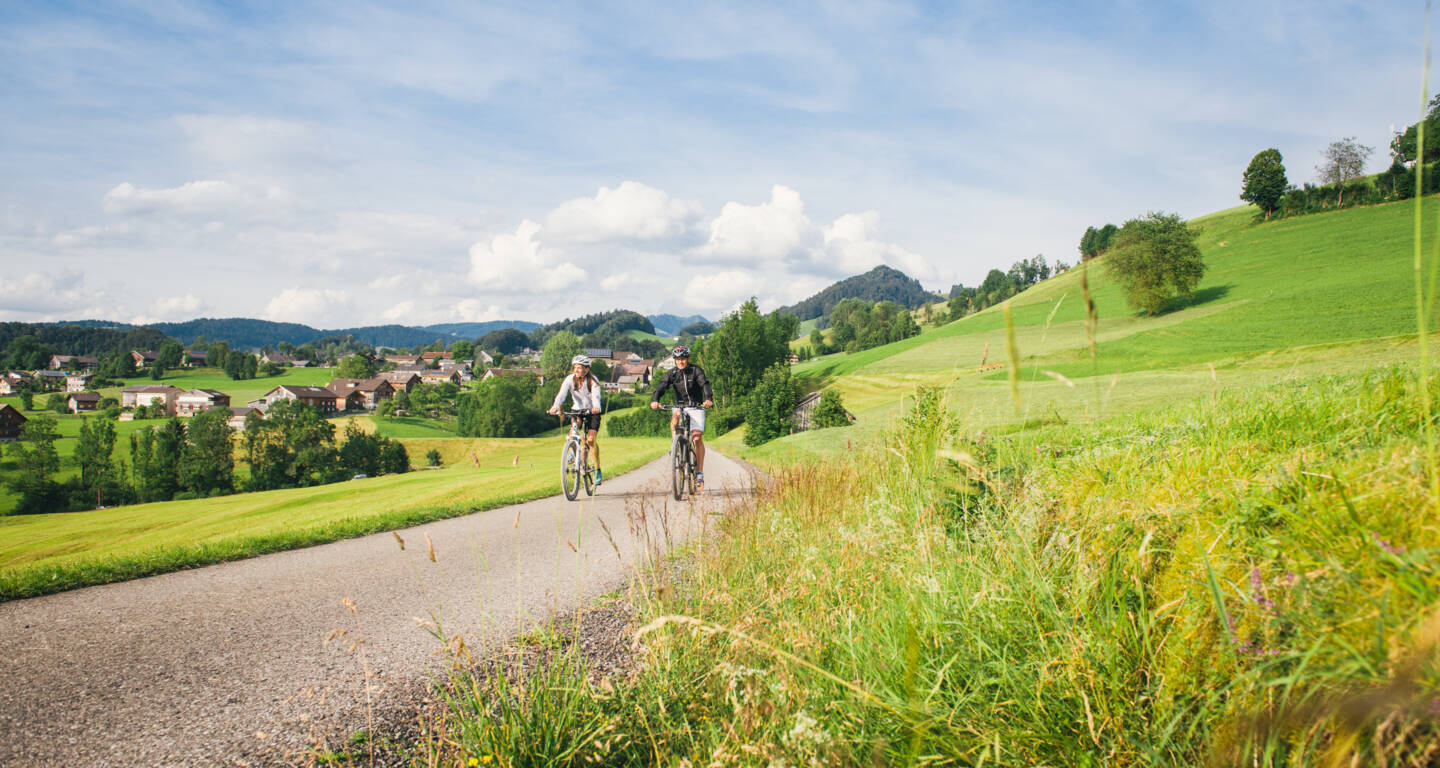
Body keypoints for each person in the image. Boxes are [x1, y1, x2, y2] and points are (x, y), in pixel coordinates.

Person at [649, 345, 714, 490]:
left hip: (696, 406)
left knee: (697, 438)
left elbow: (705, 384)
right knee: (675, 417)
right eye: (678, 359)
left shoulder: (696, 371)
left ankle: (699, 473)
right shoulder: (672, 374)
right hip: (680, 406)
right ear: (675, 360)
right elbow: (661, 386)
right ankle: (675, 444)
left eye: (683, 359)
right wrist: (655, 399)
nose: (680, 362)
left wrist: (708, 398)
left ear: (688, 359)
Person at [548, 354, 605, 485]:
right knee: (574, 429)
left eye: (579, 368)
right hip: (577, 410)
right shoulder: (569, 379)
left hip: (592, 412)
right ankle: (572, 451)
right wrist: (555, 407)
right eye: (575, 367)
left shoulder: (593, 381)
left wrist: (596, 407)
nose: (576, 370)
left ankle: (597, 470)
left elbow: (596, 397)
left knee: (590, 440)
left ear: (586, 369)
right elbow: (561, 395)